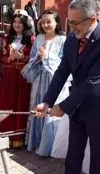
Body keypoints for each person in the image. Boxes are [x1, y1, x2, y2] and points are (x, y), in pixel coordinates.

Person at [34, 0, 100, 174]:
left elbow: (93, 82)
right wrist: (47, 101)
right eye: (69, 22)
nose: (72, 28)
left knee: (98, 162)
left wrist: (64, 106)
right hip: (78, 108)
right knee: (73, 157)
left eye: (75, 23)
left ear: (92, 19)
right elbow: (62, 72)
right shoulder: (72, 38)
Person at [22, 9, 70, 156]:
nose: (45, 25)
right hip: (40, 78)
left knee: (52, 109)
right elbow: (32, 57)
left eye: (49, 21)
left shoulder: (63, 39)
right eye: (43, 22)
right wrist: (37, 58)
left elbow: (64, 63)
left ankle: (51, 146)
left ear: (56, 23)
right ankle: (36, 142)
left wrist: (48, 55)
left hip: (55, 80)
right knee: (38, 106)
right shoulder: (39, 38)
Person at [0, 9, 34, 148]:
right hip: (9, 76)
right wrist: (10, 57)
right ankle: (4, 136)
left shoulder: (31, 39)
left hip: (23, 76)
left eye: (20, 22)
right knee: (7, 104)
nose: (17, 25)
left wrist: (23, 57)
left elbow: (34, 58)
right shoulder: (7, 38)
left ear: (25, 24)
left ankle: (18, 137)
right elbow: (2, 57)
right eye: (15, 22)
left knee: (20, 105)